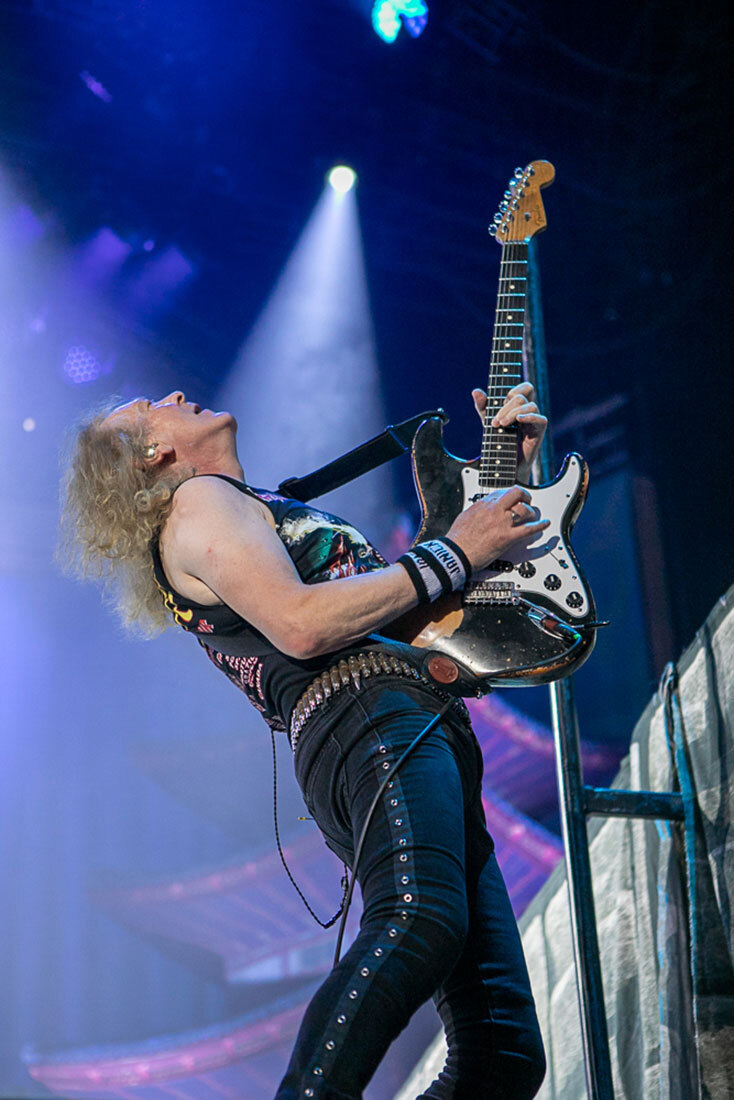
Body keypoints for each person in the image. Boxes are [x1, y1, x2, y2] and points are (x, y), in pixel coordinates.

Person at [60, 382, 550, 1100]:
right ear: (153, 452)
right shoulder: (199, 500)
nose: (176, 392)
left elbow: (415, 612)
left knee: (502, 1051)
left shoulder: (243, 509)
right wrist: (456, 550)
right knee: (419, 920)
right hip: (371, 720)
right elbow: (303, 625)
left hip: (397, 722)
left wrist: (502, 487)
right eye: (150, 406)